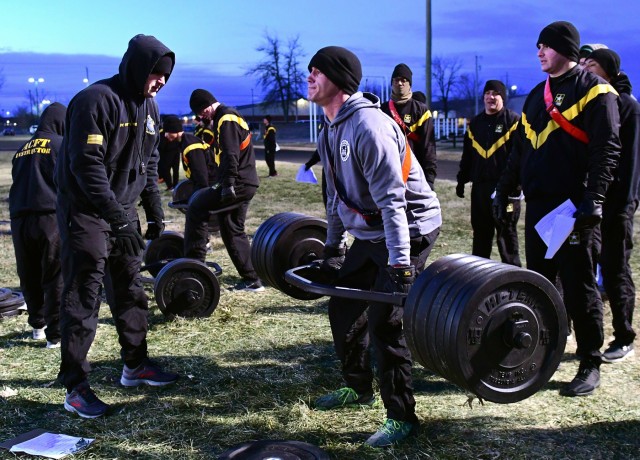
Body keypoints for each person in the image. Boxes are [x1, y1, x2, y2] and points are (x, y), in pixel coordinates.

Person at [306, 46, 442, 447]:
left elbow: (392, 203)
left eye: (317, 71)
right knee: (345, 303)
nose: (310, 77)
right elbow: (334, 196)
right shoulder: (329, 128)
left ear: (339, 80)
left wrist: (401, 265)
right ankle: (358, 386)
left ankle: (402, 416)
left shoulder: (370, 127)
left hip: (408, 228)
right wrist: (333, 249)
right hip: (371, 232)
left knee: (386, 321)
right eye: (309, 71)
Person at [493, 21, 620, 397]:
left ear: (566, 49)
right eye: (538, 46)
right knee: (541, 285)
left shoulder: (596, 91)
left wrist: (594, 199)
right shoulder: (536, 95)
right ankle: (544, 352)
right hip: (539, 209)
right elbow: (519, 149)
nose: (539, 52)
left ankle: (590, 360)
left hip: (574, 210)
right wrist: (503, 192)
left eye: (545, 46)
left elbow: (606, 150)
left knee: (580, 288)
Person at [55, 34, 179, 419]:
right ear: (137, 67)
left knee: (129, 288)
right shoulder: (96, 101)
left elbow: (149, 162)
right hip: (87, 214)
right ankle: (75, 387)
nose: (160, 82)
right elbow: (87, 166)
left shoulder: (151, 108)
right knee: (84, 296)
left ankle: (135, 365)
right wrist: (118, 218)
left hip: (122, 213)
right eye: (155, 74)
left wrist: (154, 211)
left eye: (165, 77)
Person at [584, 48, 639, 363]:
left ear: (609, 71)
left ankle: (624, 336)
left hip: (617, 204)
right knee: (592, 266)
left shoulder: (627, 106)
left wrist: (624, 205)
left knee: (616, 268)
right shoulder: (597, 104)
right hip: (594, 202)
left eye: (592, 65)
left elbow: (630, 163)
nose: (586, 70)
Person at [187, 88, 263, 292]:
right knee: (231, 228)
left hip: (237, 182)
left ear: (209, 105)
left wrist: (228, 183)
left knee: (196, 206)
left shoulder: (225, 117)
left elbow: (230, 153)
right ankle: (253, 279)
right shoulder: (224, 118)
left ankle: (193, 269)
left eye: (201, 112)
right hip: (244, 181)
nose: (200, 116)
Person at [9, 102, 66, 349]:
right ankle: (55, 335)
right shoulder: (61, 145)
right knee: (54, 275)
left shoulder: (21, 149)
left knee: (29, 273)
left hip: (20, 219)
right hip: (50, 217)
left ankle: (38, 326)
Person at [456, 80, 522, 266]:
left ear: (503, 97)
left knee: (506, 236)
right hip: (480, 189)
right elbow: (467, 156)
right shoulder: (475, 124)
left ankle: (514, 279)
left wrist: (516, 187)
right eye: (487, 93)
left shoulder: (514, 122)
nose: (490, 97)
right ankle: (479, 278)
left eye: (495, 93)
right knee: (481, 235)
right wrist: (462, 180)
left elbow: (520, 157)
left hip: (505, 190)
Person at [381, 63, 437, 190]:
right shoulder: (382, 110)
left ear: (410, 84)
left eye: (403, 80)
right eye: (396, 80)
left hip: (415, 175)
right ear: (392, 83)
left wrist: (429, 179)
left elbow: (429, 147)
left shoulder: (421, 110)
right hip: (387, 176)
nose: (400, 83)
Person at [161, 115, 217, 192]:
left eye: (167, 132)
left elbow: (200, 173)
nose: (165, 135)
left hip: (210, 182)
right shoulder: (185, 141)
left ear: (175, 130)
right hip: (207, 181)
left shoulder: (191, 145)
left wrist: (202, 193)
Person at [157, 118, 181, 191]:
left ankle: (170, 186)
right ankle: (175, 186)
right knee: (175, 170)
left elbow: (162, 146)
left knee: (166, 170)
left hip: (168, 154)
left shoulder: (163, 133)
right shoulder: (175, 131)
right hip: (176, 152)